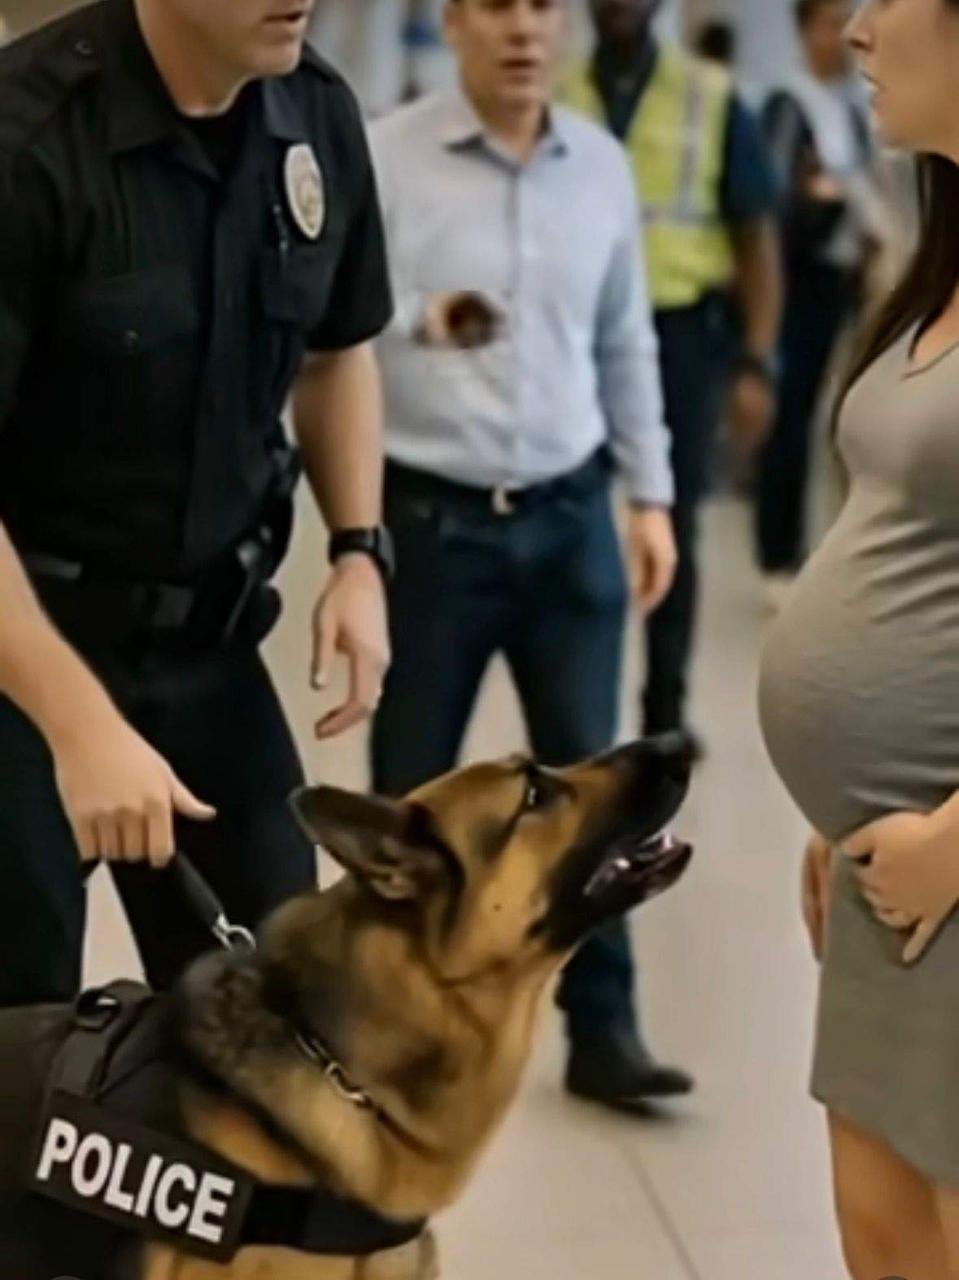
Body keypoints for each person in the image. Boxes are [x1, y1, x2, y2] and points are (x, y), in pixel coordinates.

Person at [0, 0, 395, 1007]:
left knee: (277, 1013)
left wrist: (357, 552)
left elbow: (336, 351)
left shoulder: (315, 115)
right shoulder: (27, 137)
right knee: (17, 1024)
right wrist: (80, 728)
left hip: (206, 650)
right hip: (22, 657)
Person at [368, 0, 694, 1109]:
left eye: (539, 6)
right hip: (431, 528)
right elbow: (332, 323)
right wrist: (423, 318)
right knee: (410, 806)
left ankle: (603, 1031)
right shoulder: (386, 157)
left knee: (596, 794)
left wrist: (650, 497)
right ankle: (387, 1030)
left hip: (567, 523)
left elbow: (623, 338)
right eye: (494, 5)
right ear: (452, 21)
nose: (521, 29)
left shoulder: (597, 165)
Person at [759, 1, 959, 1274]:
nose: (856, 28)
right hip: (893, 869)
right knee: (881, 1237)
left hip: (946, 858)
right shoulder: (938, 259)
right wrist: (838, 810)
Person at [563, 0, 781, 753]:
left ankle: (661, 714)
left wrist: (756, 360)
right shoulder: (559, 93)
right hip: (574, 339)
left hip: (679, 337)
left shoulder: (708, 98)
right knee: (572, 519)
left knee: (670, 519)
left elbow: (755, 240)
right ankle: (575, 707)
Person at [755, 0, 883, 610]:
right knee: (791, 416)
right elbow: (783, 207)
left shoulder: (851, 109)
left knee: (846, 420)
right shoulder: (790, 104)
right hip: (800, 284)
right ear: (807, 31)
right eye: (832, 22)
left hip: (847, 281)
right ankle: (777, 555)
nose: (846, 36)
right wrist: (823, 200)